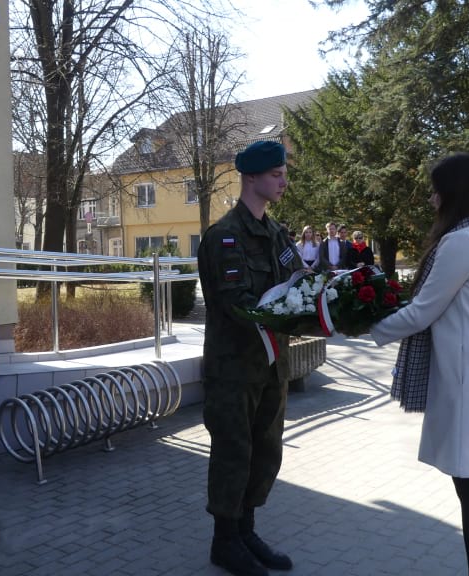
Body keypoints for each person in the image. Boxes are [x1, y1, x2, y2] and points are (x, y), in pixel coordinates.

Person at [371, 153, 469, 576]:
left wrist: (366, 327)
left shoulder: (462, 242)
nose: (432, 200)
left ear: (453, 193)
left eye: (436, 191)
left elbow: (422, 311)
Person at [197, 140, 302, 576]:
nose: (283, 181)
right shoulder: (224, 236)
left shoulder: (277, 235)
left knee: (265, 451)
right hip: (234, 369)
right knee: (234, 453)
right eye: (275, 175)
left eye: (283, 174)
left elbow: (300, 282)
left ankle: (246, 530)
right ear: (252, 177)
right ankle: (225, 541)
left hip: (272, 366)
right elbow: (236, 303)